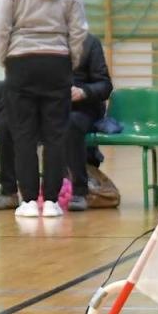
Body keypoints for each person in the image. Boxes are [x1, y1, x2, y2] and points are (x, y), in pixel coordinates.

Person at [0, 0, 88, 219]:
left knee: (24, 136)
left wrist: (4, 60)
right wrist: (70, 62)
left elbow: (1, 27)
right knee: (55, 135)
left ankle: (30, 201)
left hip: (21, 63)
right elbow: (79, 29)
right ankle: (54, 203)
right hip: (56, 62)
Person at [63, 32, 112, 212]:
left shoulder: (89, 42)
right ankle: (16, 192)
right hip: (53, 106)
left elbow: (105, 85)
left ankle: (79, 191)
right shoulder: (42, 43)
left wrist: (83, 92)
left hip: (84, 106)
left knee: (70, 123)